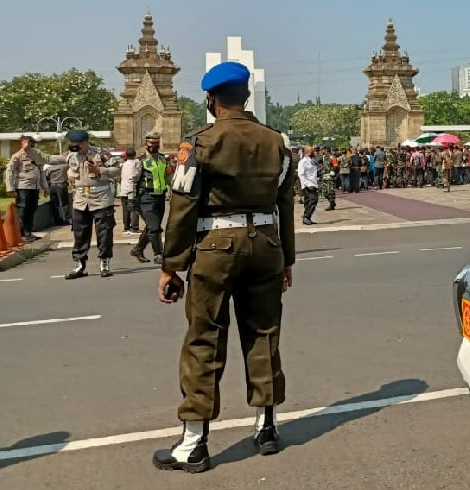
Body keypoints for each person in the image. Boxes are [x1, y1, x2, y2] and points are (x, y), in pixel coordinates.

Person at [154, 61, 296, 473]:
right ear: (247, 97)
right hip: (267, 243)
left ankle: (194, 443)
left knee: (204, 338)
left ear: (211, 100)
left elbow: (182, 207)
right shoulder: (276, 142)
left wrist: (171, 266)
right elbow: (285, 203)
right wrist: (287, 257)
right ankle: (267, 426)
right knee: (264, 333)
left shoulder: (199, 144)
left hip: (215, 247)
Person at [44, 130, 121, 278]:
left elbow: (117, 169)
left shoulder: (101, 153)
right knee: (80, 234)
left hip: (101, 198)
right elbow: (49, 158)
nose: (73, 147)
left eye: (76, 144)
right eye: (72, 144)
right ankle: (80, 265)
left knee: (104, 233)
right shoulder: (70, 155)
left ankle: (104, 263)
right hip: (80, 200)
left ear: (85, 143)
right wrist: (30, 152)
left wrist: (100, 170)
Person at [131, 132, 170, 264]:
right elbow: (132, 181)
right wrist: (130, 199)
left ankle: (138, 248)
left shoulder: (163, 159)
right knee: (154, 228)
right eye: (151, 143)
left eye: (156, 143)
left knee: (152, 226)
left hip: (160, 196)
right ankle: (158, 254)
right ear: (146, 144)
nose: (154, 145)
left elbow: (167, 177)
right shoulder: (140, 161)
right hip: (145, 197)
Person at [6, 135, 49, 241]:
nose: (29, 144)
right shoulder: (17, 156)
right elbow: (9, 172)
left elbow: (41, 172)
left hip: (34, 188)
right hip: (23, 187)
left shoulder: (37, 155)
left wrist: (45, 187)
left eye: (31, 142)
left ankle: (28, 232)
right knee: (23, 210)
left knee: (32, 209)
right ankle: (22, 233)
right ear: (21, 143)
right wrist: (11, 188)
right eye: (26, 142)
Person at [119, 148, 141, 234]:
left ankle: (126, 227)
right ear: (134, 154)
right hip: (132, 188)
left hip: (123, 188)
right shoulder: (137, 163)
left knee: (125, 209)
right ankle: (134, 227)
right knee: (134, 209)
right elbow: (137, 175)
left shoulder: (124, 164)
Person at [298, 146, 318, 225]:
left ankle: (307, 218)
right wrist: (304, 185)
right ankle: (306, 216)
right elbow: (301, 174)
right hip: (308, 184)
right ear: (307, 152)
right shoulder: (303, 162)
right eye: (312, 151)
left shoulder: (312, 161)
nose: (314, 152)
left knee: (308, 201)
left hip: (313, 183)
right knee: (313, 200)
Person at [318, 146, 336, 211]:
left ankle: (332, 204)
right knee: (324, 192)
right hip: (324, 176)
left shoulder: (332, 157)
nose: (322, 151)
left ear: (326, 150)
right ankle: (332, 202)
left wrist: (333, 170)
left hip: (330, 176)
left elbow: (336, 166)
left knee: (330, 191)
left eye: (323, 150)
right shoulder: (323, 157)